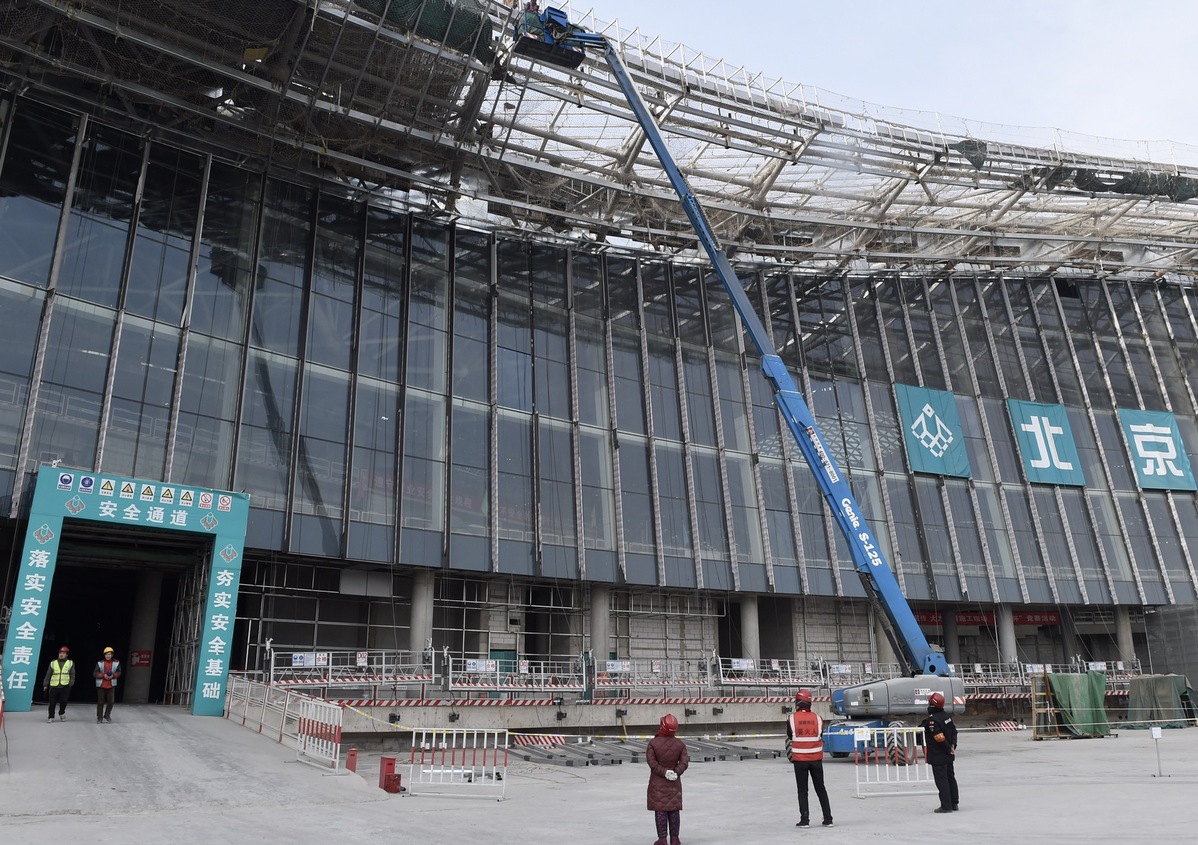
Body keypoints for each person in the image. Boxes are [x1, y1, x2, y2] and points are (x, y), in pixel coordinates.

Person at [786, 689, 833, 828]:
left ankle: (804, 820)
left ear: (798, 703)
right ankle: (828, 819)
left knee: (802, 790)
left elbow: (790, 735)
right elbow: (820, 734)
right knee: (820, 788)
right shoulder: (818, 718)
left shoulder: (792, 719)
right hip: (816, 759)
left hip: (800, 760)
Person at [646, 713, 689, 845]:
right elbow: (685, 761)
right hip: (674, 784)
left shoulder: (653, 743)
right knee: (674, 810)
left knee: (661, 810)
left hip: (657, 783)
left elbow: (651, 762)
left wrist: (664, 772)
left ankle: (662, 839)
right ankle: (675, 839)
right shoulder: (680, 745)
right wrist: (676, 772)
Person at [920, 691, 959, 813]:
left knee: (942, 780)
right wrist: (952, 746)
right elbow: (954, 732)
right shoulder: (946, 716)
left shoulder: (933, 721)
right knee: (950, 778)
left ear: (933, 705)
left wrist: (948, 748)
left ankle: (946, 806)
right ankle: (954, 803)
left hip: (939, 754)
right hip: (948, 754)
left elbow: (939, 737)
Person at [42, 645, 75, 722]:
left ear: (67, 654)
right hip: (54, 686)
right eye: (60, 652)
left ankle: (61, 712)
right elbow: (48, 674)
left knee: (64, 701)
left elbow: (72, 674)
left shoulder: (70, 663)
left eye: (63, 653)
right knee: (52, 703)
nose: (61, 654)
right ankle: (51, 717)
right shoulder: (53, 663)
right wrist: (45, 684)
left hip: (65, 685)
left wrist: (71, 683)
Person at [93, 646, 122, 723]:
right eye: (106, 654)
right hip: (101, 685)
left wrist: (113, 676)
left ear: (112, 655)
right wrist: (103, 675)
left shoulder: (116, 663)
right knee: (100, 702)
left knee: (111, 701)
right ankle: (99, 717)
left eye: (109, 654)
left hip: (111, 685)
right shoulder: (100, 663)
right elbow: (95, 673)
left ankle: (107, 714)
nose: (108, 656)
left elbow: (119, 672)